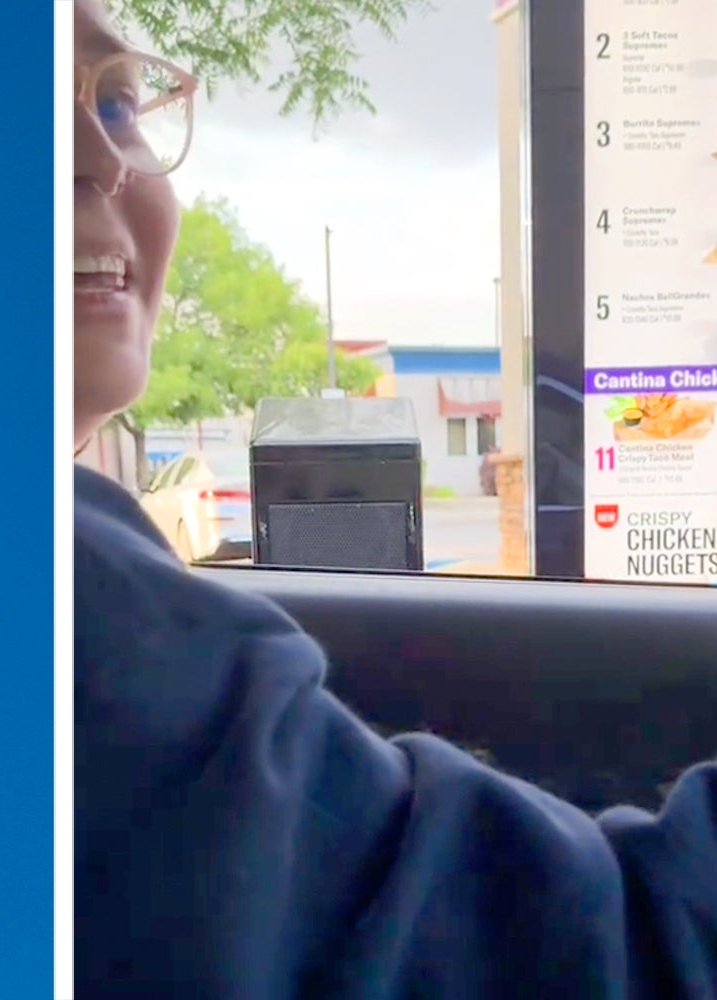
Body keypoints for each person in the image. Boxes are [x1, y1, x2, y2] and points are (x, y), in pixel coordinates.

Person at [72, 1, 717, 995]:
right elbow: (602, 961)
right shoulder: (44, 588)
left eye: (116, 103)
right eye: (11, 99)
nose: (98, 157)